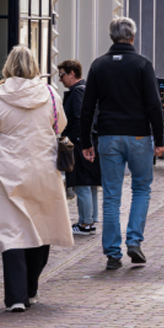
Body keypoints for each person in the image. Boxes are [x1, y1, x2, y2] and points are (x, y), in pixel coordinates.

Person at [0, 45, 74, 312]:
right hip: (42, 170)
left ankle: (16, 297)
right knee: (41, 227)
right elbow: (60, 125)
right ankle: (31, 289)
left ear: (8, 66)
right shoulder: (50, 94)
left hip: (7, 172)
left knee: (12, 233)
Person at [79, 17, 164, 270]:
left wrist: (86, 141)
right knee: (141, 189)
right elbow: (154, 105)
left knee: (112, 196)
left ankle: (113, 253)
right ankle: (134, 241)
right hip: (138, 135)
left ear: (111, 37)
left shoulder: (98, 65)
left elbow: (87, 108)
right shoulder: (142, 64)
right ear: (133, 37)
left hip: (107, 136)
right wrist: (159, 139)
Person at [57, 59, 101, 235]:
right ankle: (91, 220)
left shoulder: (77, 93)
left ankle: (85, 223)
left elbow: (78, 118)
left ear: (71, 73)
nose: (60, 79)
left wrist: (74, 141)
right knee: (90, 183)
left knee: (82, 183)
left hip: (80, 144)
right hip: (88, 143)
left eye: (62, 75)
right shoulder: (86, 90)